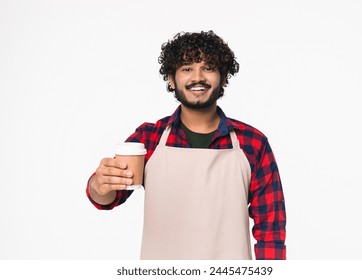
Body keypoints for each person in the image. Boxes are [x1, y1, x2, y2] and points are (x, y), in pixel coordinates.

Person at [86, 30, 286, 260]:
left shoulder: (252, 143)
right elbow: (108, 197)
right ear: (172, 78)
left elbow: (271, 228)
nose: (198, 77)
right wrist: (99, 185)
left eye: (209, 67)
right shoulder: (150, 138)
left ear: (223, 77)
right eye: (187, 69)